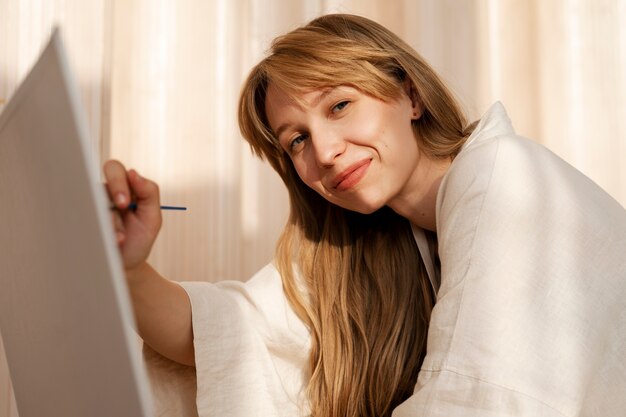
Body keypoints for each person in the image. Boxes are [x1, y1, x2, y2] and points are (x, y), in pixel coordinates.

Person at [104, 13, 626, 417]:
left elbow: (483, 399)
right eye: (297, 140)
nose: (325, 151)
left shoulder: (506, 174)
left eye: (339, 106)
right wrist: (127, 264)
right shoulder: (369, 249)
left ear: (410, 94)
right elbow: (225, 337)